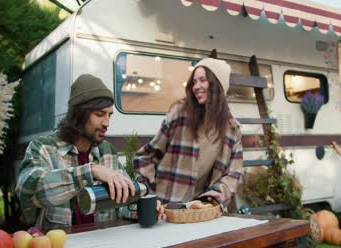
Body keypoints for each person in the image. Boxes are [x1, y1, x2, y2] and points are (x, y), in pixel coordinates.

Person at [15, 74, 164, 230]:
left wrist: (144, 209)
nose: (106, 123)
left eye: (109, 115)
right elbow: (28, 192)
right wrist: (90, 171)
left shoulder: (107, 151)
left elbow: (123, 201)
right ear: (78, 114)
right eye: (99, 114)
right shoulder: (44, 148)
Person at [133, 58, 243, 209]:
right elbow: (145, 157)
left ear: (217, 84)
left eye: (202, 80)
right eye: (194, 82)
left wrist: (211, 201)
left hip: (202, 212)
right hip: (166, 209)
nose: (196, 87)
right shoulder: (179, 113)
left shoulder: (232, 129)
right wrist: (150, 197)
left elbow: (233, 175)